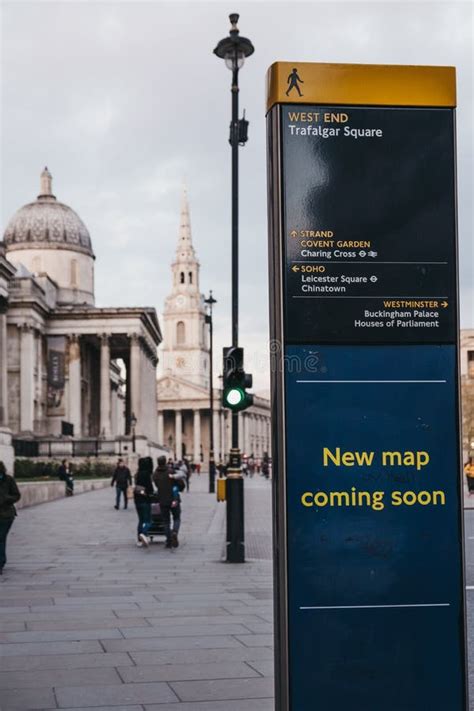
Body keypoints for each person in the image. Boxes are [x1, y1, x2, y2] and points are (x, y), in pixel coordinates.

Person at [153, 455, 184, 548]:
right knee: (177, 518)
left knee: (166, 521)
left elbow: (157, 485)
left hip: (162, 499)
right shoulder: (171, 471)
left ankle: (168, 541)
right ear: (165, 461)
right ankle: (174, 532)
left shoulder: (155, 474)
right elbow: (181, 484)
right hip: (174, 498)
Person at [0, 461, 21, 575]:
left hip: (6, 516)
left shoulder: (8, 480)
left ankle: (1, 563)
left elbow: (17, 495)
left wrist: (5, 498)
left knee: (0, 538)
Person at [133, 457, 154, 547]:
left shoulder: (137, 474)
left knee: (141, 520)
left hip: (137, 500)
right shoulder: (147, 474)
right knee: (148, 520)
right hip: (145, 500)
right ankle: (144, 533)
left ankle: (139, 540)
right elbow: (150, 489)